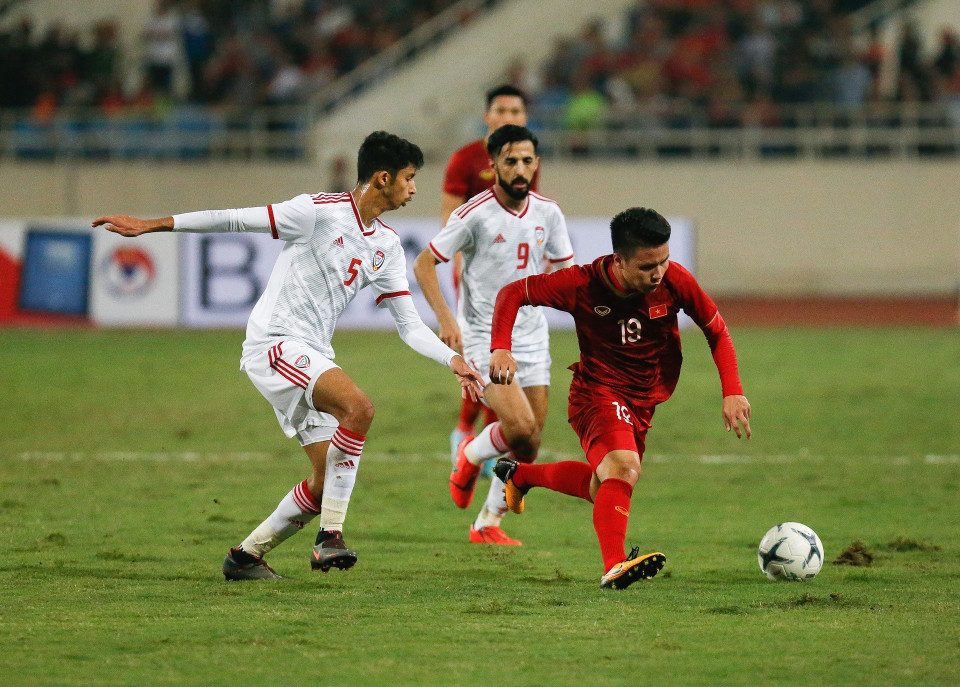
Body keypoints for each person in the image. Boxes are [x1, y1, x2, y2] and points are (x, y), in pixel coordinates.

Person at [93, 131, 484, 580]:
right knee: (359, 407)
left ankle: (245, 557)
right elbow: (232, 220)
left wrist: (450, 359)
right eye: (410, 179)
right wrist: (152, 225)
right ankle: (330, 539)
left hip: (312, 352)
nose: (415, 189)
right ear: (383, 178)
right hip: (274, 344)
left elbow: (409, 325)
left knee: (323, 484)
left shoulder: (388, 245)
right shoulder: (316, 212)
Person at [488, 207, 751, 589]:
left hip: (643, 402)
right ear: (619, 260)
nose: (658, 273)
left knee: (605, 487)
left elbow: (717, 331)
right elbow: (514, 292)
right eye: (647, 266)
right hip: (596, 392)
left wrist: (733, 390)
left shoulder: (675, 281)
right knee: (624, 469)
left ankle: (521, 476)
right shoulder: (580, 285)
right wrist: (500, 347)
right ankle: (614, 565)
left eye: (663, 261)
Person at [414, 124, 574, 546]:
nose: (519, 169)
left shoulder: (548, 213)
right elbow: (424, 263)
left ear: (536, 164)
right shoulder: (474, 215)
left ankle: (486, 524)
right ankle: (469, 455)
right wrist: (448, 320)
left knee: (529, 446)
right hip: (484, 337)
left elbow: (563, 273)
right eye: (510, 161)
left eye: (526, 161)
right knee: (518, 426)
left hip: (533, 337)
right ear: (493, 166)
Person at [440, 84, 541, 472]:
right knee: (481, 350)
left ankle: (487, 437)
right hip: (475, 271)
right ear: (487, 116)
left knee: (504, 352)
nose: (509, 118)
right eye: (501, 110)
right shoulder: (465, 159)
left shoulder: (527, 157)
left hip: (513, 273)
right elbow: (449, 219)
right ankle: (464, 432)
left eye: (516, 111)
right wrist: (459, 266)